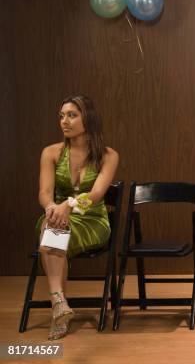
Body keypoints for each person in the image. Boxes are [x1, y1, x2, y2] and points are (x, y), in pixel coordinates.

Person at [35, 95, 119, 340]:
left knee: (53, 234)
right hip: (57, 215)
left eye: (72, 115)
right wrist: (52, 207)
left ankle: (57, 310)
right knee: (54, 228)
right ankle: (59, 303)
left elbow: (96, 194)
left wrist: (69, 205)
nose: (64, 121)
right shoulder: (50, 153)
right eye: (61, 116)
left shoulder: (108, 155)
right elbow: (44, 192)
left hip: (91, 219)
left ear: (88, 118)